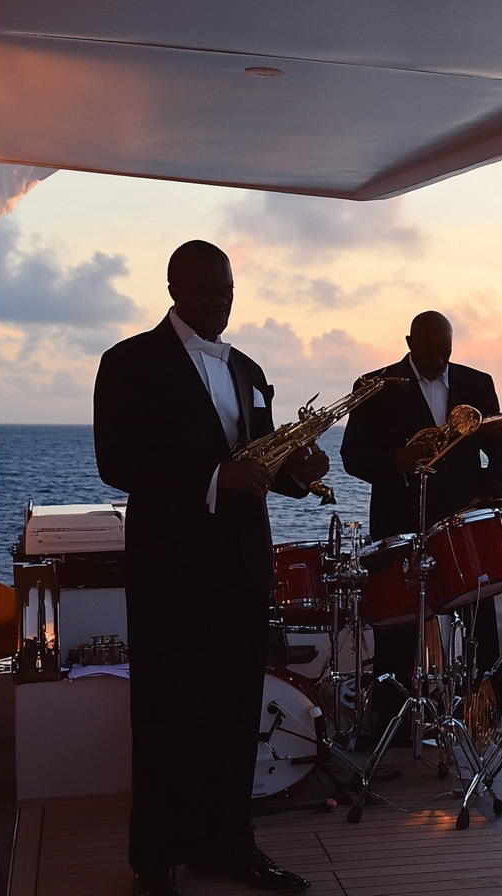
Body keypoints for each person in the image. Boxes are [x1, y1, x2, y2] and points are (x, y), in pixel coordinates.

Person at [94, 240, 329, 896]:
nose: (219, 302)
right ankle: (156, 859)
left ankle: (230, 847)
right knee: (168, 716)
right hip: (170, 569)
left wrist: (299, 474)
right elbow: (117, 462)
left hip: (241, 567)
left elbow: (262, 463)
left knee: (234, 715)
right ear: (174, 288)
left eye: (227, 290)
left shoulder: (248, 368)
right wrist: (211, 476)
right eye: (206, 292)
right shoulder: (128, 362)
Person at [340, 311, 502, 745]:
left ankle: (481, 717)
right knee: (396, 629)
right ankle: (389, 724)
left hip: (460, 523)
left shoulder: (478, 383)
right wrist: (396, 463)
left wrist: (488, 491)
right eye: (431, 353)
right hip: (398, 525)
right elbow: (352, 457)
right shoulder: (375, 385)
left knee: (478, 625)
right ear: (409, 342)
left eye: (446, 353)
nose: (440, 361)